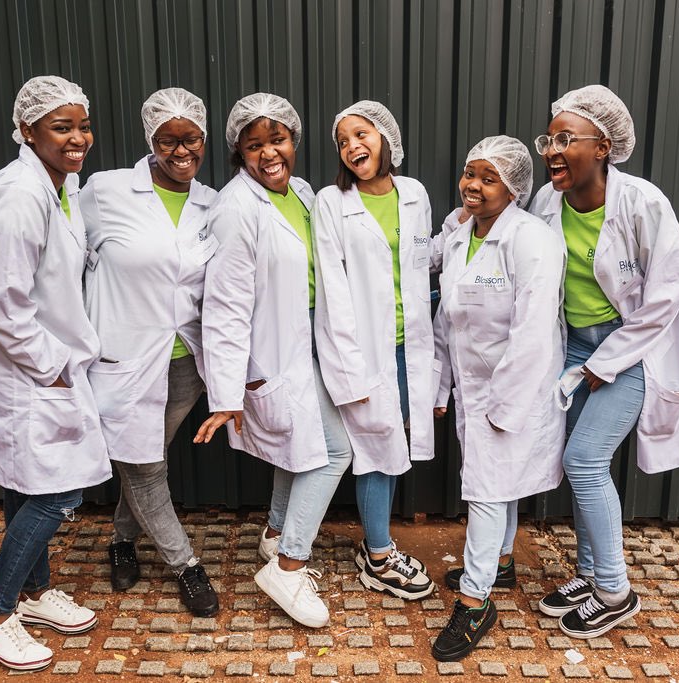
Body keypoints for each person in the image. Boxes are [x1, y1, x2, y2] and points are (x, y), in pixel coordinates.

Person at [529, 84, 679, 638]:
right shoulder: (545, 202)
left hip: (628, 351)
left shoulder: (643, 203)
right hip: (574, 347)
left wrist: (609, 360)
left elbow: (669, 291)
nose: (552, 150)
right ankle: (586, 573)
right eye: (548, 139)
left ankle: (615, 589)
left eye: (566, 138)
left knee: (583, 461)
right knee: (582, 467)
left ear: (602, 146)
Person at [0, 76, 109, 671]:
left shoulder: (57, 185)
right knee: (58, 488)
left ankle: (36, 594)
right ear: (27, 131)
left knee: (26, 480)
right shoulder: (21, 195)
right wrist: (54, 369)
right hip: (21, 366)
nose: (78, 139)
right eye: (61, 127)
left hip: (35, 363)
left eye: (83, 125)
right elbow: (2, 304)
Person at [193, 93, 353, 628]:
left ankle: (276, 533)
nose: (268, 154)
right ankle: (289, 564)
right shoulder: (235, 209)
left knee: (298, 451)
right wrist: (226, 392)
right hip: (273, 357)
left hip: (310, 346)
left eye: (277, 140)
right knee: (332, 453)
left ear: (294, 141)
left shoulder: (303, 194)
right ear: (238, 151)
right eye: (253, 144)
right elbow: (224, 307)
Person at [81, 87, 219, 617]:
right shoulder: (105, 191)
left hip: (184, 366)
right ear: (150, 139)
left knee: (145, 459)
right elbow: (65, 255)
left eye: (192, 140)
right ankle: (187, 566)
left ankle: (120, 539)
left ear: (203, 139)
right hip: (124, 361)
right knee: (144, 468)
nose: (181, 152)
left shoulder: (210, 202)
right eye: (168, 141)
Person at [430, 136, 566, 661]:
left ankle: (475, 601)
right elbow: (449, 317)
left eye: (489, 178)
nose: (473, 186)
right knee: (498, 486)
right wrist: (443, 387)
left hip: (516, 389)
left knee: (487, 490)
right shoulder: (462, 234)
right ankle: (502, 563)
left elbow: (534, 334)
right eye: (469, 173)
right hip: (474, 387)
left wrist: (502, 407)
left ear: (513, 189)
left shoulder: (531, 240)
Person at [311, 101, 436, 600]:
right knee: (373, 450)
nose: (351, 146)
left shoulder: (415, 194)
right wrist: (349, 369)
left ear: (386, 137)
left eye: (360, 134)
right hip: (362, 351)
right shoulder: (330, 201)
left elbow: (422, 266)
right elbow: (332, 291)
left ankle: (377, 544)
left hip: (411, 347)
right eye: (342, 141)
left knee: (392, 442)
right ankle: (379, 555)